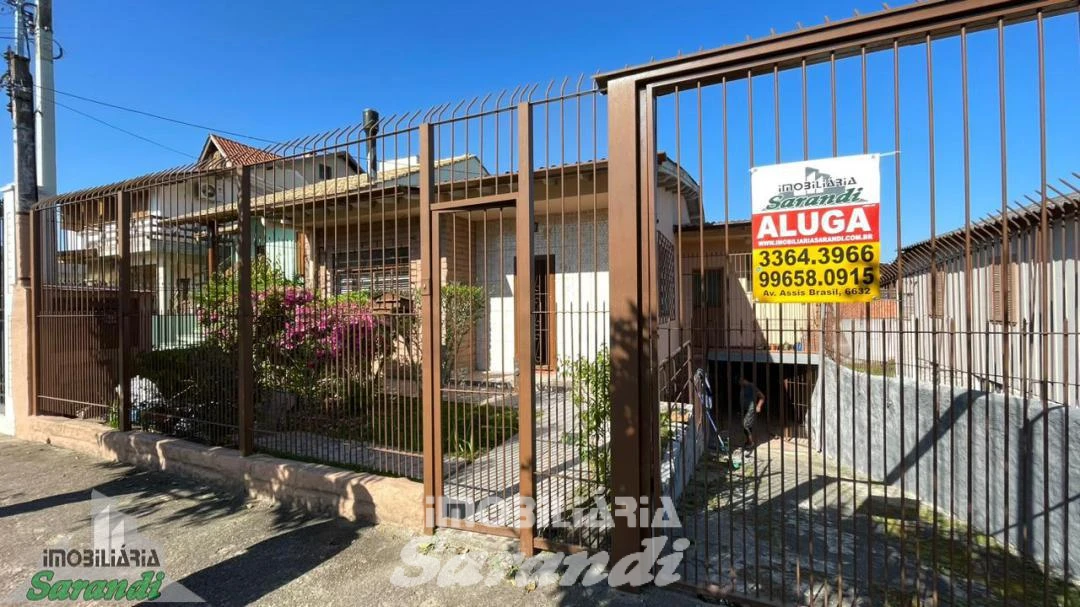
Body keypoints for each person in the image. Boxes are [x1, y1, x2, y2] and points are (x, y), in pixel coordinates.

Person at [739, 377, 765, 451]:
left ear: (744, 380)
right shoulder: (743, 387)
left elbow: (762, 397)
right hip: (745, 409)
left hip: (751, 409)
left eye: (740, 381)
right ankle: (748, 441)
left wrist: (759, 406)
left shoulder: (751, 386)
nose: (739, 383)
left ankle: (751, 443)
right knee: (747, 426)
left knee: (745, 425)